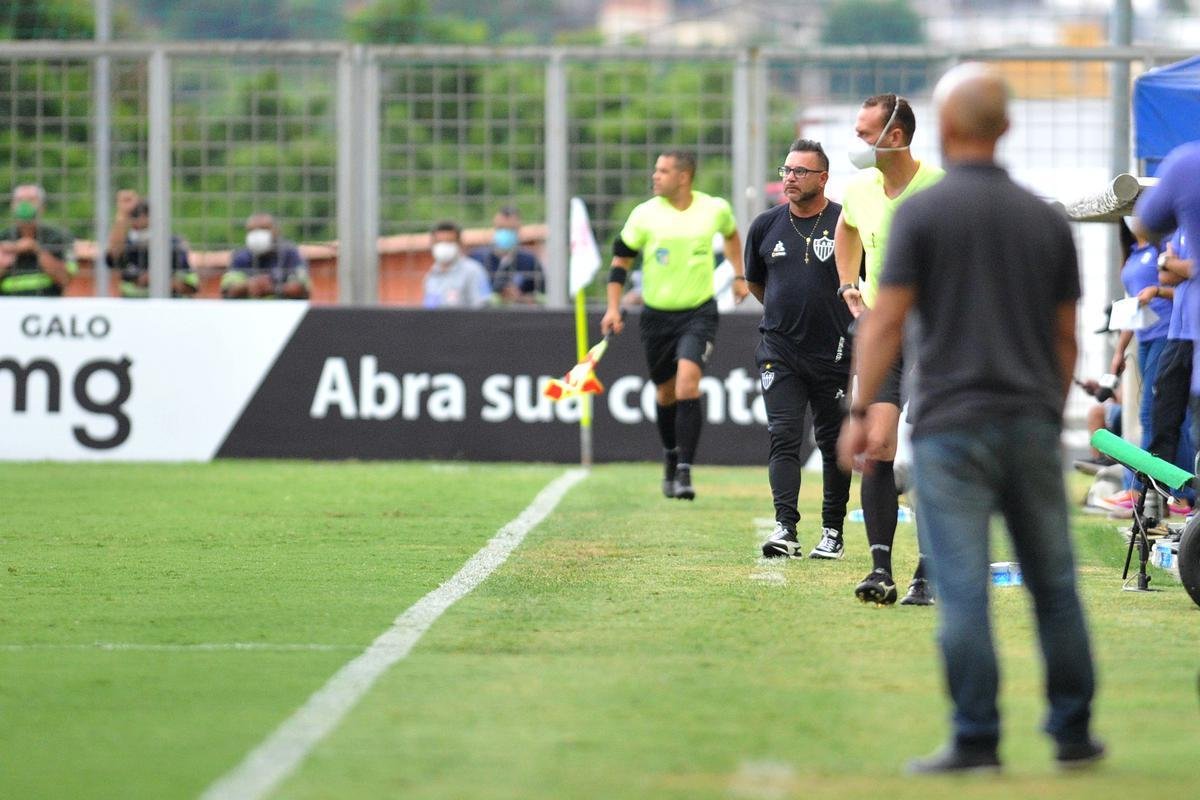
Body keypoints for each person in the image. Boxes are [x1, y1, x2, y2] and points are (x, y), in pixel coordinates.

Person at [839, 62, 1102, 773]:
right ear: (1006, 127)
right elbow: (1066, 337)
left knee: (960, 588)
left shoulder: (922, 214)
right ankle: (1073, 732)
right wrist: (1047, 410)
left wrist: (862, 408)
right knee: (1055, 585)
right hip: (1029, 419)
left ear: (946, 129)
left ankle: (976, 737)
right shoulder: (1046, 220)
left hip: (951, 421)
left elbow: (885, 320)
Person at [834, 93, 943, 605]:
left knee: (932, 452)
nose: (856, 142)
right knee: (877, 446)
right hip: (883, 335)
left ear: (894, 136)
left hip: (937, 336)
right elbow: (848, 228)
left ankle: (929, 572)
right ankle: (880, 570)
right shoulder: (859, 187)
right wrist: (847, 285)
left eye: (863, 133)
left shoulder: (940, 187)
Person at [601, 150, 747, 500]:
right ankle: (670, 455)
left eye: (663, 171)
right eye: (656, 170)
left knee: (687, 384)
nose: (655, 176)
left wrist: (740, 274)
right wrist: (612, 307)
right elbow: (621, 260)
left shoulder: (714, 209)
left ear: (684, 177)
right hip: (656, 317)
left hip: (698, 313)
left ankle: (684, 470)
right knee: (665, 392)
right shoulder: (644, 215)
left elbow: (731, 234)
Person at [744, 139, 853, 559]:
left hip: (835, 352)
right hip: (779, 350)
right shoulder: (765, 225)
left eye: (800, 172)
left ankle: (832, 532)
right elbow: (756, 283)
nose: (789, 178)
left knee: (832, 442)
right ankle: (785, 528)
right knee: (783, 435)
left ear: (823, 178)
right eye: (785, 170)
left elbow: (864, 281)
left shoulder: (846, 222)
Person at [1135, 139, 1200, 477]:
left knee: (1193, 426)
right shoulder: (1182, 229)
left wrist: (1182, 266)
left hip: (1188, 329)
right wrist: (1177, 265)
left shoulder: (1187, 164)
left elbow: (1177, 270)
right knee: (1162, 415)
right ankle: (1157, 499)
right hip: (1181, 331)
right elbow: (1165, 271)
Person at [105, 190, 197, 298]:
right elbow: (113, 257)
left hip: (167, 306)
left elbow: (192, 285)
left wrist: (158, 281)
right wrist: (122, 214)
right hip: (133, 307)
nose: (138, 220)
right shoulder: (127, 244)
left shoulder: (173, 245)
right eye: (134, 215)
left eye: (143, 214)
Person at [0, 184, 76, 296]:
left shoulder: (59, 238)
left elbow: (67, 280)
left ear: (42, 207)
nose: (24, 205)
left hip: (48, 308)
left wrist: (36, 249)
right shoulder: (3, 238)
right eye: (20, 200)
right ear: (12, 206)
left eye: (31, 200)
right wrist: (4, 262)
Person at [221, 214, 311, 300]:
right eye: (251, 230)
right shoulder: (240, 256)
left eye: (263, 229)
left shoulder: (289, 253)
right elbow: (227, 290)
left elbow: (303, 288)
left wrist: (273, 288)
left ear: (276, 230)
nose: (257, 235)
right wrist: (248, 286)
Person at [469, 206, 544, 305]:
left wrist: (521, 298)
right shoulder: (478, 258)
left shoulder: (530, 261)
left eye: (511, 229)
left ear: (519, 230)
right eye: (501, 228)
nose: (505, 233)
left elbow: (544, 295)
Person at [422, 220, 493, 309]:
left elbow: (483, 307)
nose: (444, 246)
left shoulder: (473, 271)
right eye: (439, 242)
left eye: (449, 242)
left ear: (459, 244)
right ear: (432, 244)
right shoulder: (431, 276)